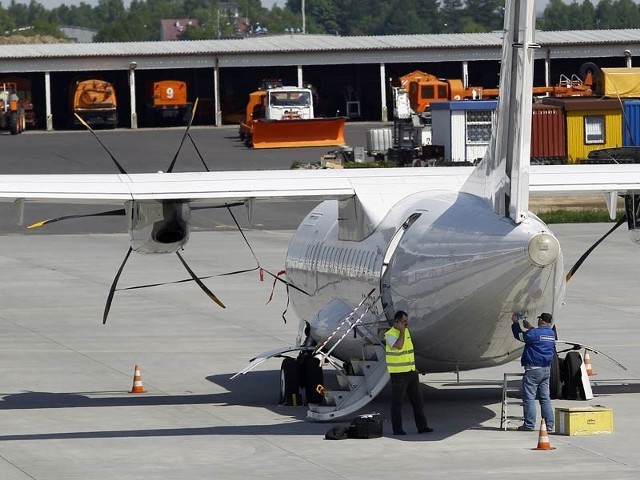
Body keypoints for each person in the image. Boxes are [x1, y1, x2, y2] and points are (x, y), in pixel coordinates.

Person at [385, 310, 432, 435]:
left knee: (418, 402)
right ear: (397, 321)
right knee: (397, 404)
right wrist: (401, 331)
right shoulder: (389, 335)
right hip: (398, 374)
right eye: (404, 322)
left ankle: (422, 426)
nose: (406, 324)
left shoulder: (406, 332)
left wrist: (414, 368)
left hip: (411, 372)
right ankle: (397, 429)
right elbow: (399, 346)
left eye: (407, 322)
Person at [511, 312, 556, 431]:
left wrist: (515, 323)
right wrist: (530, 327)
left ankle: (529, 424)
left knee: (529, 398)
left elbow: (520, 336)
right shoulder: (551, 333)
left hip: (533, 370)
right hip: (546, 369)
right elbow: (538, 335)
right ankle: (549, 425)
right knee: (545, 398)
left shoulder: (534, 333)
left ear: (541, 320)